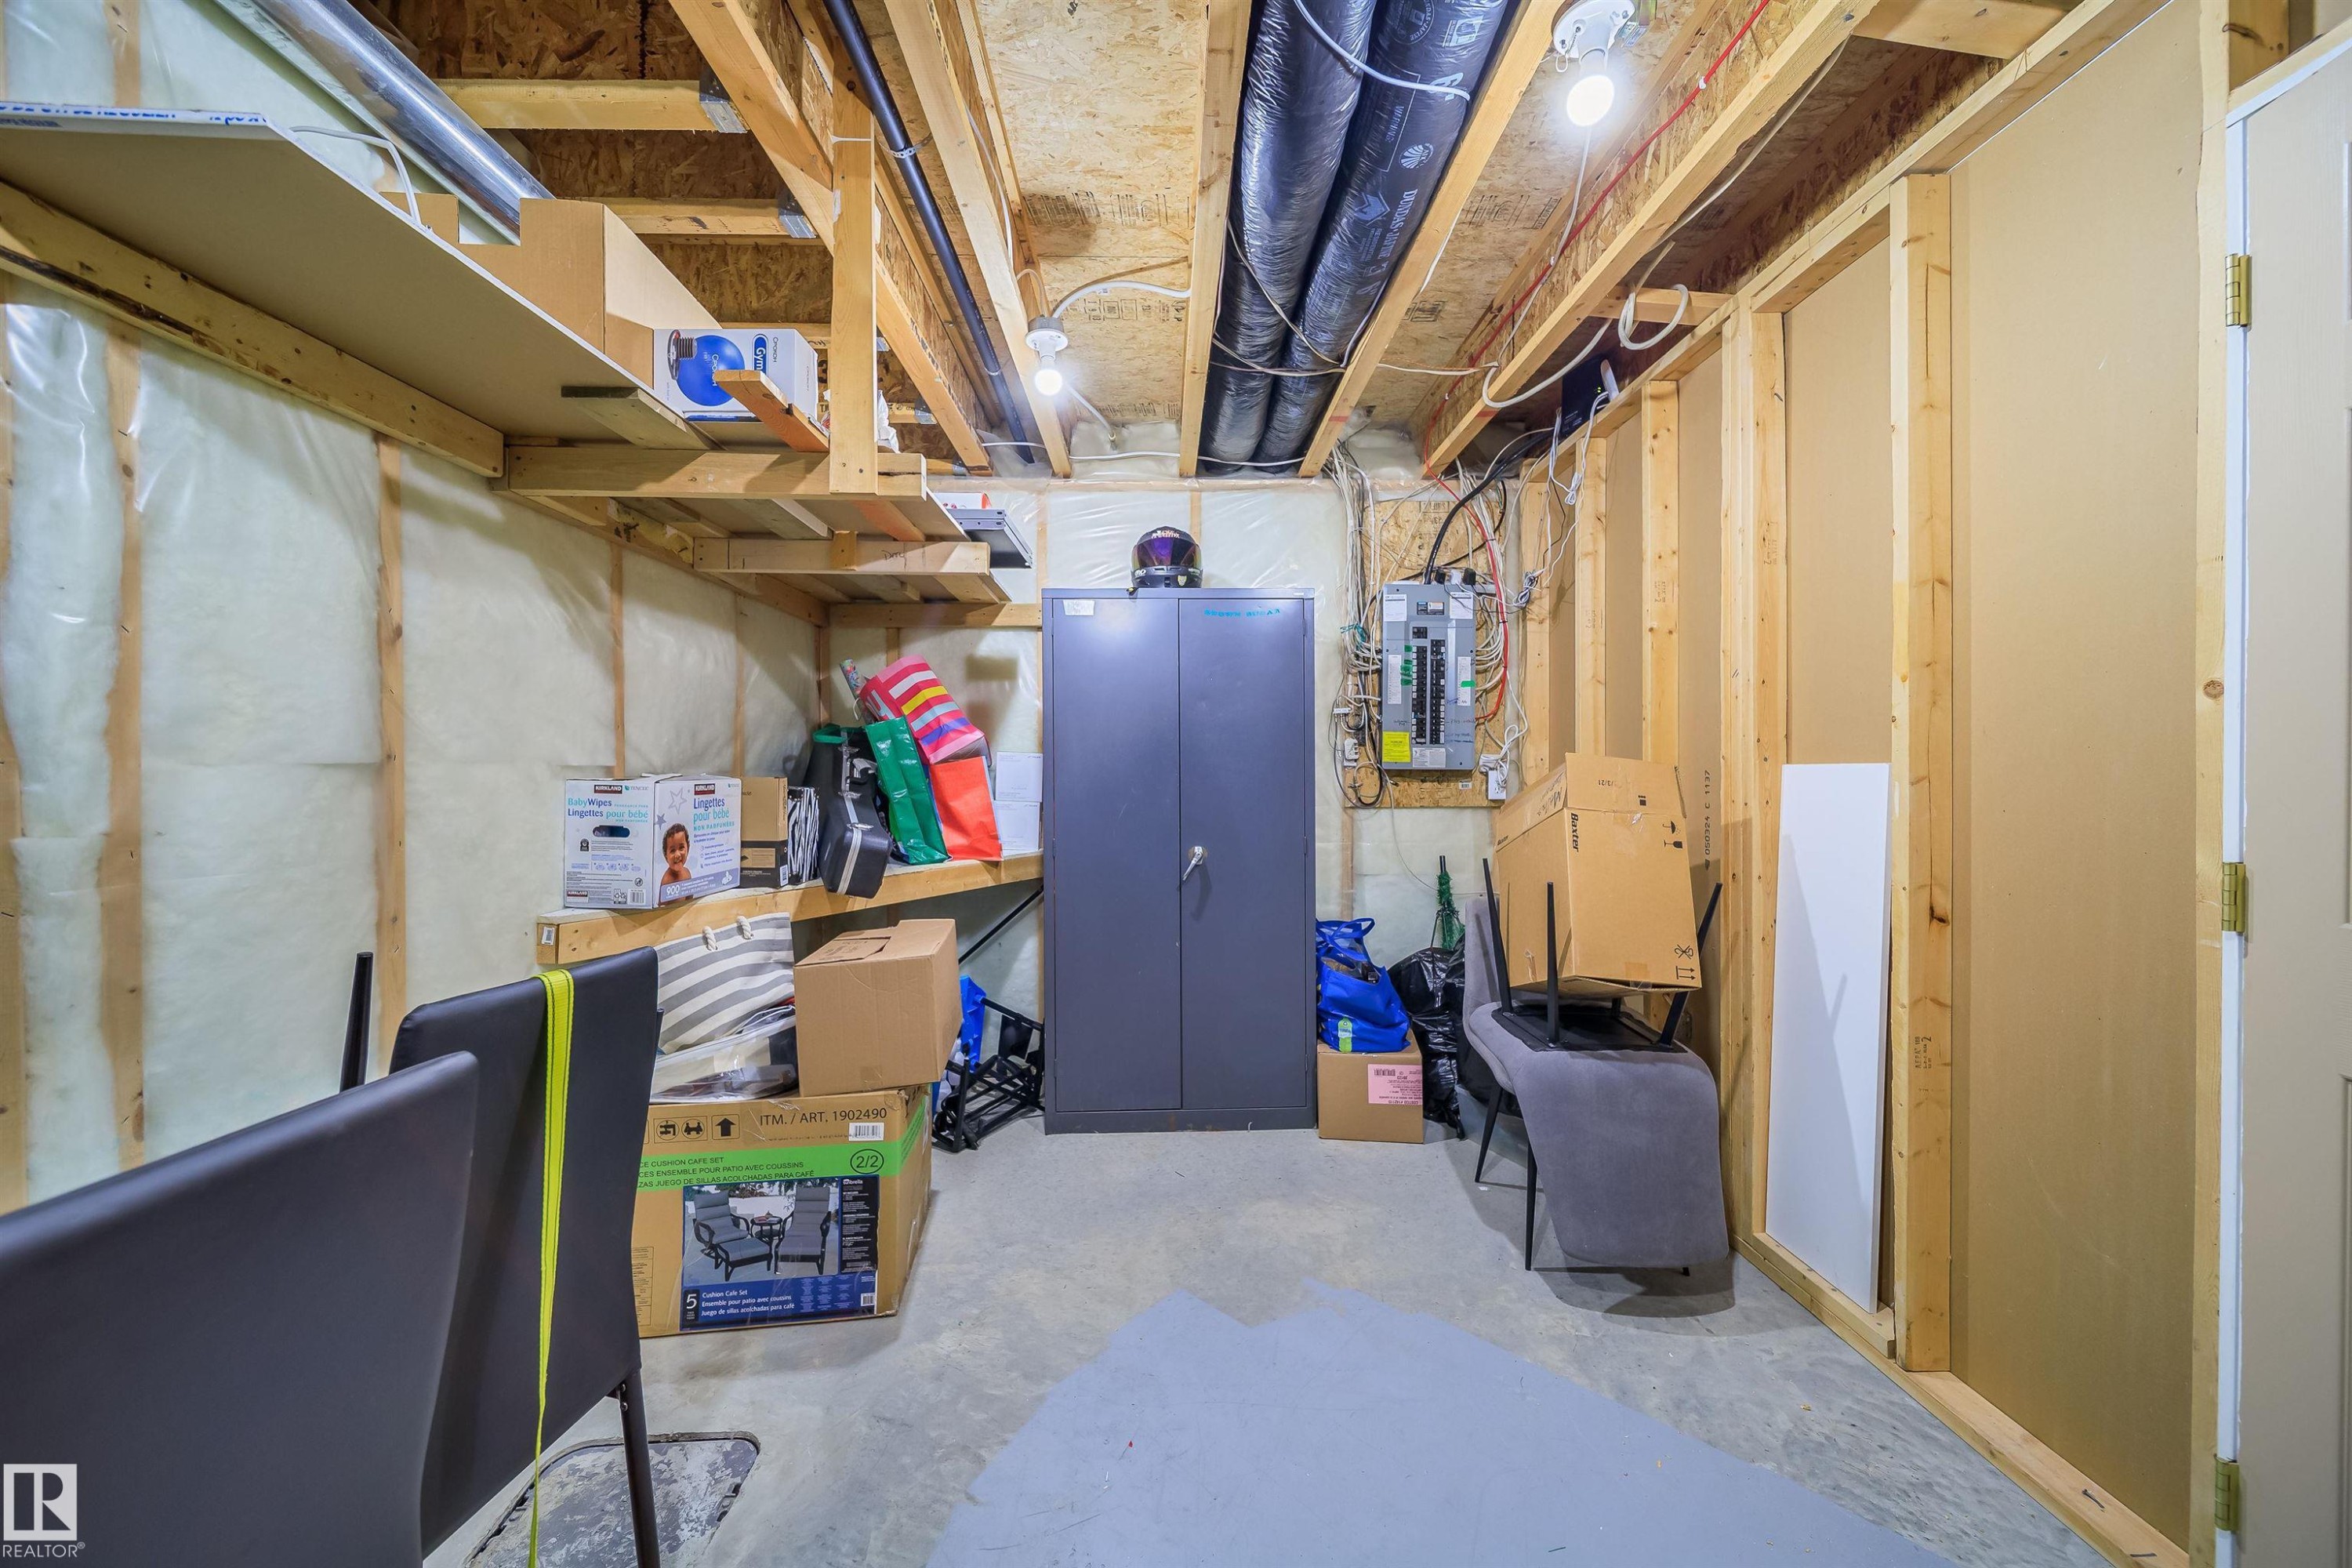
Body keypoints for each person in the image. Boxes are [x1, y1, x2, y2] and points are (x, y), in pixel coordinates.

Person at [660, 821, 692, 887]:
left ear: (688, 848)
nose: (677, 855)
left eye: (681, 848)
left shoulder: (687, 873)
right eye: (672, 850)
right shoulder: (667, 881)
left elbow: (690, 896)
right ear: (666, 855)